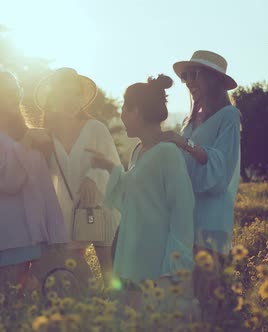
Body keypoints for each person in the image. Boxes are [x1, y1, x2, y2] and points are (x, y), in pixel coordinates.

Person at [90, 74, 195, 306]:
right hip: (132, 259)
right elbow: (133, 198)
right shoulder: (138, 152)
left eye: (125, 109)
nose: (122, 116)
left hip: (157, 267)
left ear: (136, 110)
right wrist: (110, 167)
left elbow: (182, 214)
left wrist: (172, 269)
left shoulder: (168, 153)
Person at [0, 72, 68, 292]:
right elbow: (7, 181)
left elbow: (46, 183)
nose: (15, 97)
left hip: (39, 235)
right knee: (9, 306)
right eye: (8, 92)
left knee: (39, 309)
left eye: (17, 92)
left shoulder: (22, 133)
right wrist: (27, 143)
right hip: (10, 236)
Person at [159, 50, 241, 316]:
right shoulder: (190, 120)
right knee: (189, 295)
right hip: (186, 216)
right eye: (186, 76)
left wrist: (185, 143)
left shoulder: (229, 116)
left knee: (211, 292)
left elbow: (222, 164)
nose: (189, 81)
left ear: (214, 79)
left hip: (211, 217)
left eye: (195, 74)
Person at [34, 68, 121, 288]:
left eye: (75, 94)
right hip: (65, 212)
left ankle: (116, 315)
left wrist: (92, 177)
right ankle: (88, 315)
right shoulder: (46, 136)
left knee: (110, 272)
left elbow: (112, 164)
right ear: (54, 98)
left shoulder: (95, 128)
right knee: (74, 271)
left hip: (100, 207)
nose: (71, 99)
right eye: (64, 93)